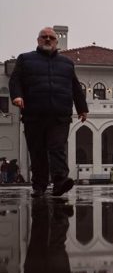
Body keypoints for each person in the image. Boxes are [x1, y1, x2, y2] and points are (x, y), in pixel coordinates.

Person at [9, 27, 88, 197]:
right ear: (38, 40)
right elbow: (15, 80)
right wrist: (16, 96)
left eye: (51, 37)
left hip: (59, 114)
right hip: (34, 114)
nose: (47, 39)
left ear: (56, 42)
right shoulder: (25, 59)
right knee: (37, 150)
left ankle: (60, 181)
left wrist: (82, 108)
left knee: (57, 147)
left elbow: (75, 87)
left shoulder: (66, 63)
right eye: (44, 37)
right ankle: (39, 185)